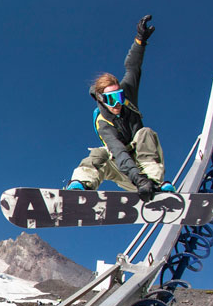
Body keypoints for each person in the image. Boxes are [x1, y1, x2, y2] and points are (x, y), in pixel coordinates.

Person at [66, 15, 173, 200]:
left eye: (119, 97)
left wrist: (140, 41)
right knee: (100, 153)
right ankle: (80, 186)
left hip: (145, 169)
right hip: (127, 171)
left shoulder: (128, 97)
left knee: (145, 133)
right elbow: (118, 151)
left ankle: (155, 185)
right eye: (111, 99)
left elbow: (133, 67)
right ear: (101, 99)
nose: (117, 104)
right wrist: (138, 180)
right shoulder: (103, 121)